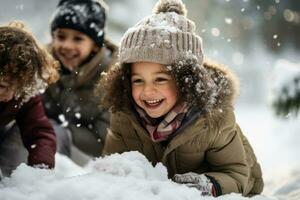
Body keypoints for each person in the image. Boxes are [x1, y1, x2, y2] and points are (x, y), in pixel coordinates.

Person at [97, 0, 264, 197]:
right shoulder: (125, 116)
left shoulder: (213, 118)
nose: (148, 91)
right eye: (138, 80)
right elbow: (112, 168)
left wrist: (209, 185)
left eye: (160, 79)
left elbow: (237, 174)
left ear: (186, 81)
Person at [43, 0, 118, 165]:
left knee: (50, 133)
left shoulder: (112, 78)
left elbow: (106, 141)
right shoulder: (44, 67)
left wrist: (63, 131)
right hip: (48, 147)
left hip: (94, 160)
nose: (67, 45)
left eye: (78, 39)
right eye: (61, 36)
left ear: (95, 46)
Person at [0, 21, 59, 177]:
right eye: (2, 86)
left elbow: (40, 133)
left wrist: (41, 169)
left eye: (18, 87)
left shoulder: (24, 96)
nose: (9, 96)